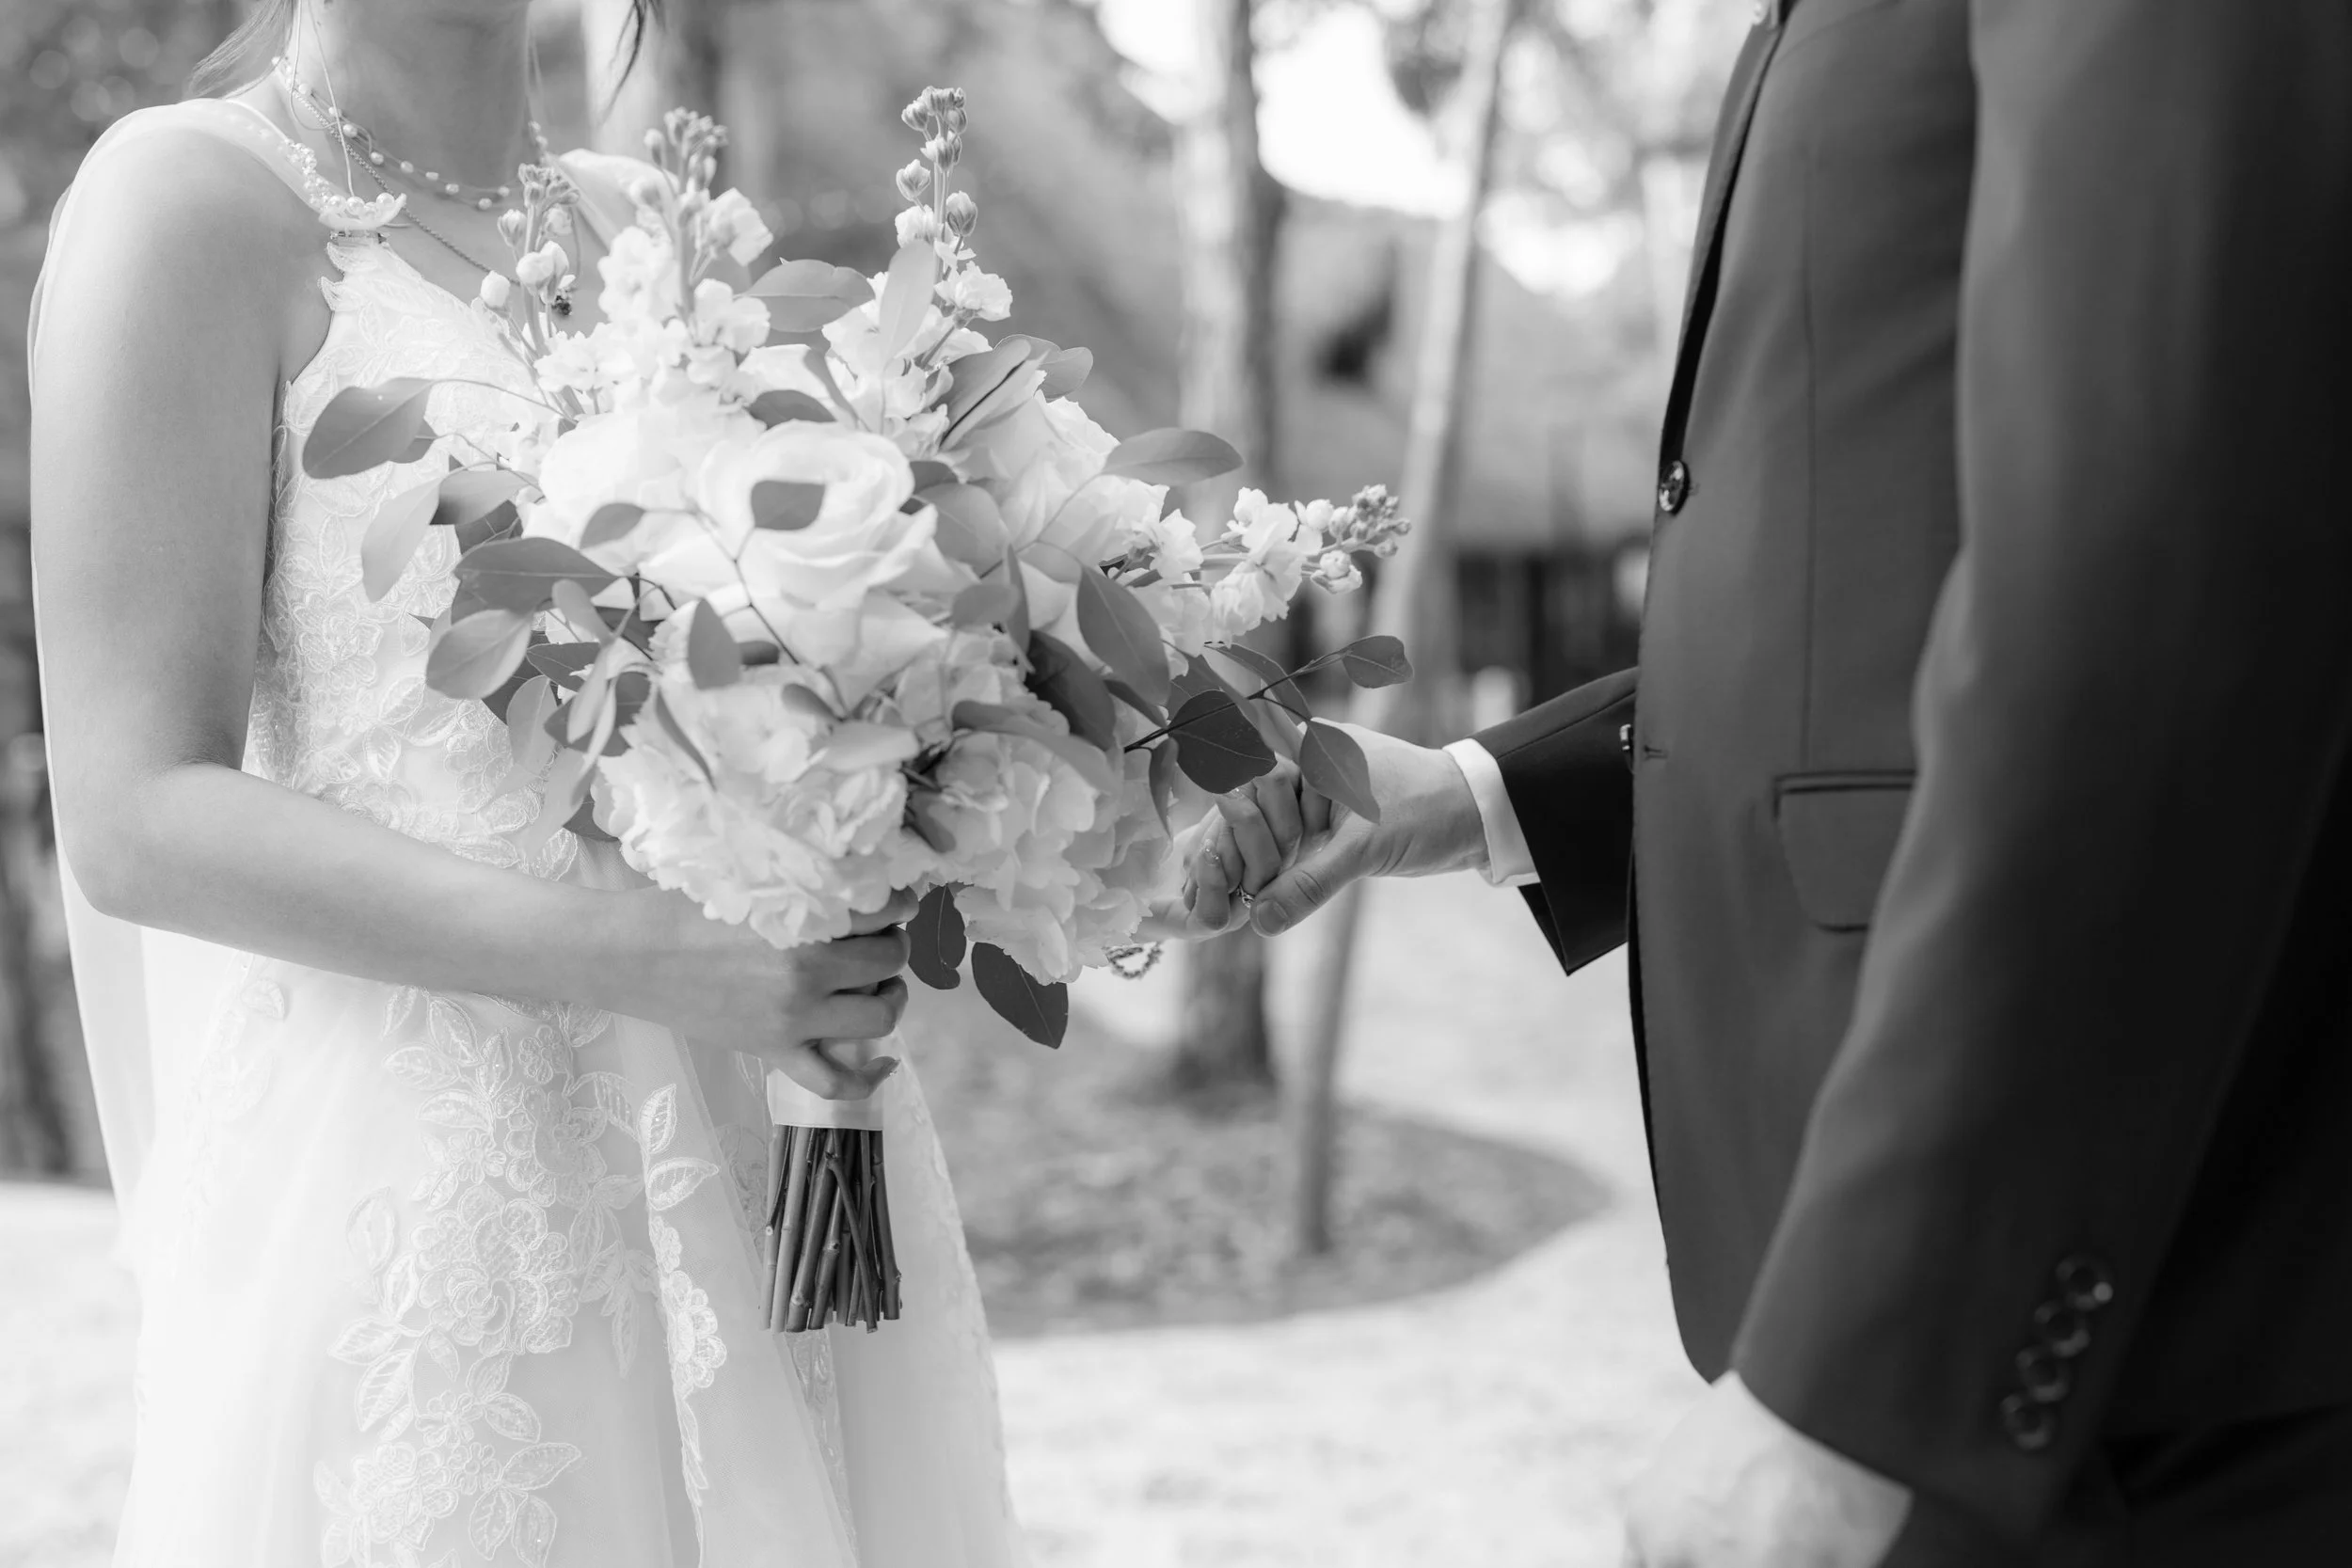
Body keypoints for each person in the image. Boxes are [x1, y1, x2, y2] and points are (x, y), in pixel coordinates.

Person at [25, 0, 1243, 1560]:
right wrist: (644, 958)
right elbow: (135, 817)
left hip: (764, 1153)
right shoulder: (190, 203)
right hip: (437, 1216)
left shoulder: (654, 228)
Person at [1199, 2, 2352, 1563]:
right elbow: (1873, 557)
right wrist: (1487, 787)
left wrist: (1861, 1379)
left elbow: (2159, 552)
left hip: (2116, 1328)